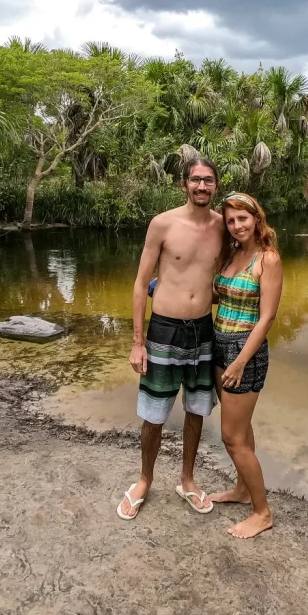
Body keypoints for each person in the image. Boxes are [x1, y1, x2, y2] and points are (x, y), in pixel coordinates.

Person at [118, 159, 226, 521]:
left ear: (216, 186)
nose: (201, 186)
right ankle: (145, 479)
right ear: (184, 184)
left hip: (204, 331)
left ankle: (188, 479)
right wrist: (137, 341)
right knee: (154, 413)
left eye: (208, 181)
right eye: (195, 180)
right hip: (164, 329)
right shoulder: (162, 223)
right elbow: (139, 283)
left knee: (197, 409)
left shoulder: (222, 227)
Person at [208, 192, 283, 538]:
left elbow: (266, 318)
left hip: (244, 352)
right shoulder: (232, 254)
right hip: (219, 345)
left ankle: (262, 512)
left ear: (256, 219)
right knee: (242, 429)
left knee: (231, 437)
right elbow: (217, 295)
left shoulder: (268, 260)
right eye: (231, 220)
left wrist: (239, 361)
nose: (237, 226)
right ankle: (241, 490)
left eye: (243, 219)